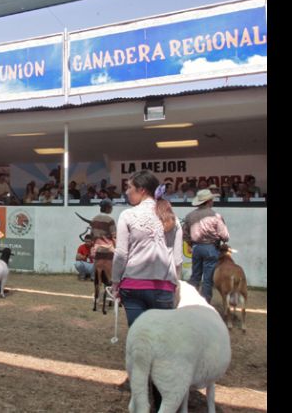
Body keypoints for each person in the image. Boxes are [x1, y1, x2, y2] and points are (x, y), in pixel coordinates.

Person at [111, 170, 183, 411]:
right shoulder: (170, 217)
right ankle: (164, 403)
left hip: (133, 287)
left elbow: (121, 254)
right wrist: (177, 286)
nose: (126, 192)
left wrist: (114, 281)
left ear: (142, 190)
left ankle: (142, 403)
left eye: (129, 188)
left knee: (141, 347)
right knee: (164, 348)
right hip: (163, 287)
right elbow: (178, 259)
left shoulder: (128, 215)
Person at [183, 189, 230, 303]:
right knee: (208, 279)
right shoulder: (216, 216)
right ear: (209, 201)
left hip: (196, 248)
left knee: (195, 276)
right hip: (211, 248)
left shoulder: (190, 216)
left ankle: (190, 300)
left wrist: (190, 243)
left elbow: (184, 234)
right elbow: (225, 236)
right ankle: (205, 302)